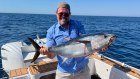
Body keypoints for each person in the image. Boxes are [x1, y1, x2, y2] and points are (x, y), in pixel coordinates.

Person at [40, 2, 107, 79]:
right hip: (63, 72)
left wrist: (99, 47)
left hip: (82, 70)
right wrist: (45, 52)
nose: (63, 16)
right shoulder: (51, 31)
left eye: (66, 14)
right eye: (60, 13)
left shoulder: (78, 25)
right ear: (56, 13)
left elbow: (86, 44)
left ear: (70, 14)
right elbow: (51, 56)